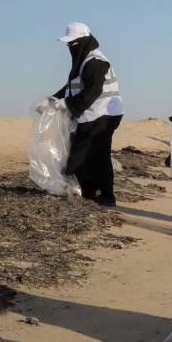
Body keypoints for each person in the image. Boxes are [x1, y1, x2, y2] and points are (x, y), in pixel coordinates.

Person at [49, 21, 125, 207]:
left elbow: (93, 90)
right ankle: (90, 193)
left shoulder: (95, 62)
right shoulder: (83, 62)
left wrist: (67, 103)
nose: (70, 47)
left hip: (104, 116)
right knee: (88, 155)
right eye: (68, 44)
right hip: (91, 115)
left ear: (84, 41)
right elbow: (72, 87)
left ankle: (107, 196)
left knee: (89, 155)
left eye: (73, 43)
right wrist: (52, 99)